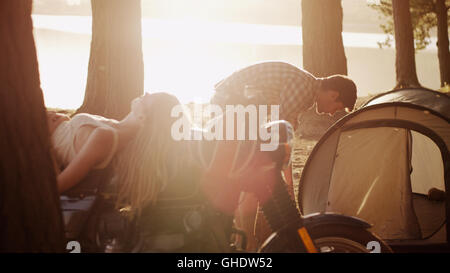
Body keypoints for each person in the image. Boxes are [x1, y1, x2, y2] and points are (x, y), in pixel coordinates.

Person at [47, 92, 193, 215]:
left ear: (143, 117)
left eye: (149, 97)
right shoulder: (111, 125)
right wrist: (60, 119)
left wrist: (44, 144)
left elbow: (57, 186)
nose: (146, 93)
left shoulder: (105, 137)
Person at [212, 61, 357, 130]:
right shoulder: (303, 89)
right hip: (226, 100)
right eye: (336, 108)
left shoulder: (308, 90)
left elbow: (282, 132)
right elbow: (278, 129)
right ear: (333, 95)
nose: (332, 114)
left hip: (237, 103)